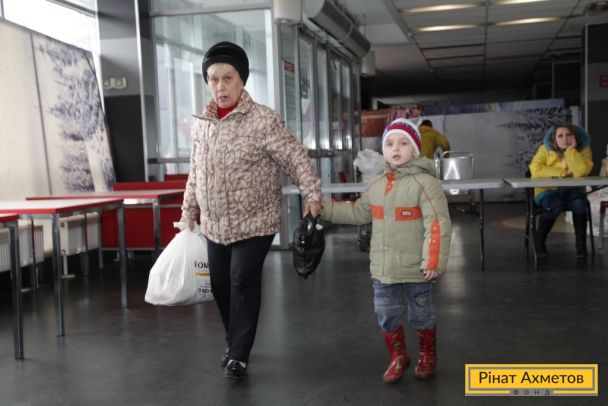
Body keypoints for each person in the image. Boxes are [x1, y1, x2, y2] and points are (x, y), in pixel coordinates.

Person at [180, 41, 323, 380]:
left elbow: (295, 157)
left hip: (256, 220)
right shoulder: (202, 123)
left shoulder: (263, 120)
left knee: (241, 278)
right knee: (220, 285)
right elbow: (195, 173)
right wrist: (188, 212)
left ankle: (239, 355)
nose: (220, 86)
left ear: (241, 80)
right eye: (213, 79)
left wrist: (312, 195)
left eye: (227, 78)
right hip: (215, 224)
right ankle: (234, 341)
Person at [320, 118, 451, 383]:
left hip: (417, 269)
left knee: (421, 314)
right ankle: (398, 357)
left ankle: (427, 356)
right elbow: (358, 212)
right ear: (383, 150)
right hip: (384, 269)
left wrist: (433, 261)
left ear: (416, 149)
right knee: (386, 314)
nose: (396, 148)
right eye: (389, 143)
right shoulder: (377, 185)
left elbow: (437, 223)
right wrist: (324, 209)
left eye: (403, 143)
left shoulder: (426, 184)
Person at [529, 122, 593, 258]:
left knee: (579, 203)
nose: (565, 139)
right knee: (554, 205)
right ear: (554, 139)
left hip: (573, 190)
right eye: (560, 136)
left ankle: (581, 245)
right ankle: (539, 241)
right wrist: (562, 172)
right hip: (547, 191)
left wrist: (571, 150)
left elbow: (582, 170)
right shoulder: (544, 149)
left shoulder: (583, 149)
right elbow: (535, 170)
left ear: (574, 136)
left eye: (569, 135)